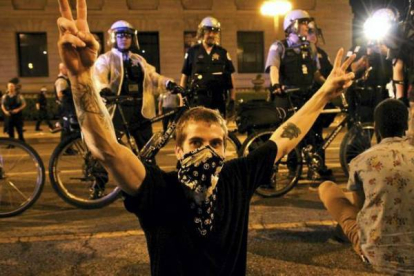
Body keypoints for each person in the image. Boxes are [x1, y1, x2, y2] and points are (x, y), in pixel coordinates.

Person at [56, 0, 355, 274]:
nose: (207, 152)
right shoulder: (159, 190)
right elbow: (107, 149)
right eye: (196, 143)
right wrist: (82, 79)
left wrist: (325, 93)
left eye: (215, 144)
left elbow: (287, 135)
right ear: (178, 150)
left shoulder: (235, 179)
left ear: (226, 149)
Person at [319, 99, 414, 275]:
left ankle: (345, 235)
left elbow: (361, 209)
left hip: (377, 255)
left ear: (376, 126)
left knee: (327, 188)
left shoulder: (361, 160)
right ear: (405, 125)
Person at [265, 9, 331, 182]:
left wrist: (329, 84)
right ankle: (288, 170)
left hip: (308, 95)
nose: (306, 26)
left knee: (313, 133)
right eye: (302, 22)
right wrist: (275, 84)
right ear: (291, 25)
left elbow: (316, 74)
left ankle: (315, 166)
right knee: (288, 134)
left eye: (306, 23)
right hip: (288, 95)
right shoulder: (279, 46)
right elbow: (274, 68)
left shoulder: (310, 47)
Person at [94, 20, 175, 152]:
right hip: (118, 108)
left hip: (139, 109)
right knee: (112, 146)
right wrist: (103, 89)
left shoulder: (138, 60)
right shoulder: (106, 59)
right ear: (114, 37)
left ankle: (149, 171)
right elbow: (98, 76)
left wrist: (168, 83)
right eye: (120, 35)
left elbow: (152, 76)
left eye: (128, 36)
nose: (124, 39)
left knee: (148, 147)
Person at [180, 16, 236, 118]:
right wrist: (181, 102)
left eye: (214, 32)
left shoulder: (222, 53)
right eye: (208, 31)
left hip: (218, 100)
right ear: (202, 33)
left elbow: (230, 78)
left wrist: (232, 99)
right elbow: (184, 77)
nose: (211, 34)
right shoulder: (192, 52)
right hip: (198, 100)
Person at [54, 62, 76, 142]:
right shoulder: (61, 81)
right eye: (66, 68)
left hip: (65, 108)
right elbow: (60, 94)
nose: (68, 70)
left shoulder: (65, 80)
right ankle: (66, 148)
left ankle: (67, 147)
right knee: (66, 128)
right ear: (61, 69)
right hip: (65, 109)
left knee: (67, 127)